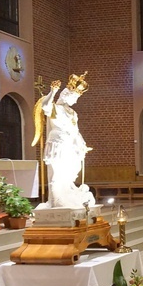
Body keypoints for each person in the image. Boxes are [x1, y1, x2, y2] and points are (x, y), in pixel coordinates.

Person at [34, 73, 96, 209]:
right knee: (58, 172)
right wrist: (53, 91)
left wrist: (82, 144)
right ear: (66, 95)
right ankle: (57, 199)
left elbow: (76, 131)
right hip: (58, 144)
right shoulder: (55, 108)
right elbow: (45, 106)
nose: (76, 100)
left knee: (73, 169)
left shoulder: (73, 113)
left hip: (70, 144)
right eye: (75, 97)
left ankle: (68, 192)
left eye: (77, 97)